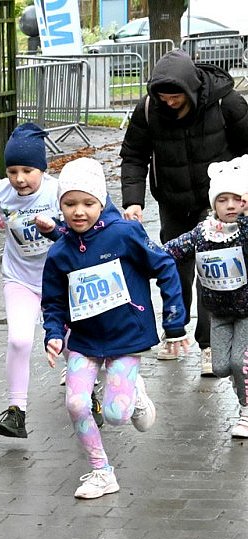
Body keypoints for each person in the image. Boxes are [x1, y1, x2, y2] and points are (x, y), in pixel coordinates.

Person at [42, 157, 188, 499]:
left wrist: (174, 319)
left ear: (102, 201)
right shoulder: (60, 253)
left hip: (126, 338)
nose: (79, 212)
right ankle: (101, 472)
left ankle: (134, 394)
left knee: (116, 415)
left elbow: (165, 265)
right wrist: (51, 334)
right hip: (84, 341)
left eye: (88, 203)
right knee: (77, 403)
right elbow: (53, 302)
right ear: (60, 205)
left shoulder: (124, 233)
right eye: (70, 204)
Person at [119, 49, 248, 371]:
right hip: (173, 201)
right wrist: (133, 200)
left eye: (175, 96)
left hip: (218, 204)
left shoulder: (226, 103)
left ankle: (209, 345)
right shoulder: (149, 109)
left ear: (191, 89)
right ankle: (175, 334)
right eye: (162, 96)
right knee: (174, 267)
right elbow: (134, 156)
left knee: (213, 270)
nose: (169, 102)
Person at [0, 123, 63, 439]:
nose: (20, 179)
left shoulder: (58, 191)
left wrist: (53, 231)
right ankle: (15, 412)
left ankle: (89, 392)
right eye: (13, 171)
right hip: (19, 277)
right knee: (20, 340)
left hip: (61, 279)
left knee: (75, 343)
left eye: (28, 170)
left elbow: (83, 232)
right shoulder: (1, 190)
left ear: (42, 168)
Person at [163, 157, 248, 437]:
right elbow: (174, 249)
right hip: (219, 311)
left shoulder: (244, 231)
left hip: (247, 310)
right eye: (223, 200)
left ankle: (246, 411)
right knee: (222, 366)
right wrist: (143, 254)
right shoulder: (204, 232)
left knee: (240, 362)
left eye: (237, 199)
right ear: (214, 205)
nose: (231, 206)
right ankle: (245, 398)